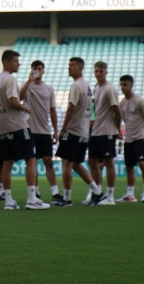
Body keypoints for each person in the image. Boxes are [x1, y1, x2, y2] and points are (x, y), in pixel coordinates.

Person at [0, 50, 50, 210]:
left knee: (7, 163)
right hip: (17, 126)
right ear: (7, 62)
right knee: (31, 158)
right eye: (16, 61)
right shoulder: (10, 79)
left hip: (2, 128)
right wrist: (26, 108)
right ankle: (32, 198)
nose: (19, 64)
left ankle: (8, 201)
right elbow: (12, 101)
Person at [56, 58, 106, 207]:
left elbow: (71, 108)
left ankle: (66, 199)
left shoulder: (76, 86)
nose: (69, 68)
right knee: (76, 164)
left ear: (80, 68)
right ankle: (97, 192)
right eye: (69, 65)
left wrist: (63, 128)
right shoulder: (87, 86)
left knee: (66, 163)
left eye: (72, 65)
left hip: (73, 130)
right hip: (84, 131)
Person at [20, 61, 63, 205]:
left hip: (45, 130)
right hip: (30, 130)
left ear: (43, 71)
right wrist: (28, 80)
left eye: (40, 68)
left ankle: (55, 193)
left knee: (48, 161)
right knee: (32, 162)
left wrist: (56, 131)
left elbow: (52, 110)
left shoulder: (49, 89)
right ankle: (35, 191)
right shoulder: (27, 86)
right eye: (35, 69)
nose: (38, 71)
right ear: (31, 70)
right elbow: (19, 97)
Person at [86, 61, 122, 205]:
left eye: (101, 71)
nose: (98, 74)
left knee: (108, 162)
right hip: (97, 131)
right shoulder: (96, 88)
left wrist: (117, 129)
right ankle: (97, 192)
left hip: (108, 131)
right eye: (96, 71)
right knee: (92, 161)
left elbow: (117, 111)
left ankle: (110, 196)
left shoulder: (110, 89)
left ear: (106, 72)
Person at [118, 75, 144, 203]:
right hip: (129, 139)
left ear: (131, 85)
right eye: (121, 84)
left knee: (142, 163)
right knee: (129, 167)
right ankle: (130, 194)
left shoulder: (139, 101)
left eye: (125, 84)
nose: (122, 87)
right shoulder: (122, 103)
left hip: (140, 137)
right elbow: (120, 120)